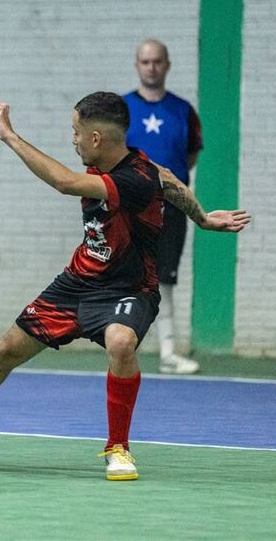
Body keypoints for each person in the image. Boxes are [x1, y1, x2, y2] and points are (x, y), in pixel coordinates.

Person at [0, 93, 250, 481]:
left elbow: (65, 182)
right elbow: (170, 179)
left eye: (76, 132)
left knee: (121, 342)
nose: (72, 139)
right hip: (76, 285)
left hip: (129, 289)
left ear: (96, 138)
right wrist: (202, 218)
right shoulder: (129, 166)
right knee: (4, 352)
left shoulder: (132, 180)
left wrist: (11, 137)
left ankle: (118, 447)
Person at [124, 39, 204, 374]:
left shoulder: (183, 110)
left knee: (164, 279)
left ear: (167, 65)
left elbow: (191, 155)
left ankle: (168, 353)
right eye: (146, 62)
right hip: (129, 207)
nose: (152, 67)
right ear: (137, 65)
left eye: (157, 61)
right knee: (125, 277)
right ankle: (120, 351)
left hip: (171, 207)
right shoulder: (121, 109)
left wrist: (168, 186)